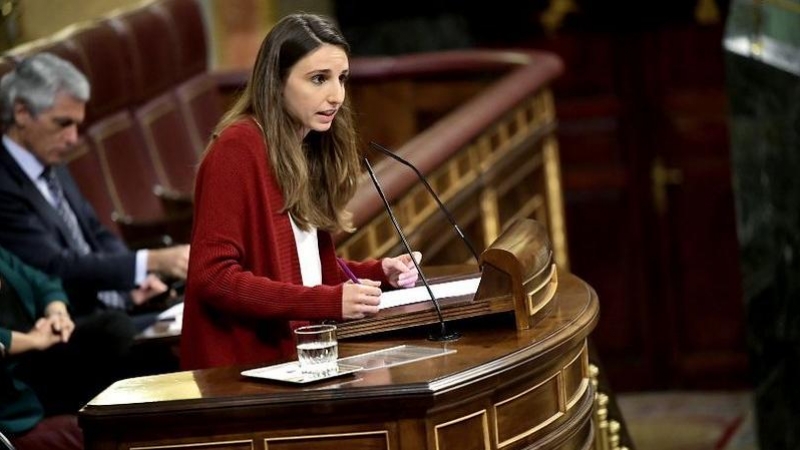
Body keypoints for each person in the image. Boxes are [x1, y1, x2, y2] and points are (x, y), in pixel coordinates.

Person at [182, 13, 420, 370]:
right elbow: (213, 278)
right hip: (241, 374)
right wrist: (329, 302)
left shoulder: (306, 146)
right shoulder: (236, 149)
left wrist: (377, 273)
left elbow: (299, 274)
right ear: (276, 81)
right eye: (318, 79)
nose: (336, 96)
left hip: (296, 362)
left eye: (341, 79)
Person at [0, 53, 190, 331]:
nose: (73, 138)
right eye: (63, 123)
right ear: (22, 113)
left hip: (115, 306)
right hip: (72, 327)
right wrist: (152, 260)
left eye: (77, 125)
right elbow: (55, 266)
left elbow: (95, 232)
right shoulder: (3, 183)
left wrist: (136, 281)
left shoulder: (51, 161)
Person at [0, 245, 140, 450]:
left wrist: (57, 313)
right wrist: (33, 340)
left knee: (113, 332)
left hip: (43, 352)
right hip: (12, 383)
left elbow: (43, 282)